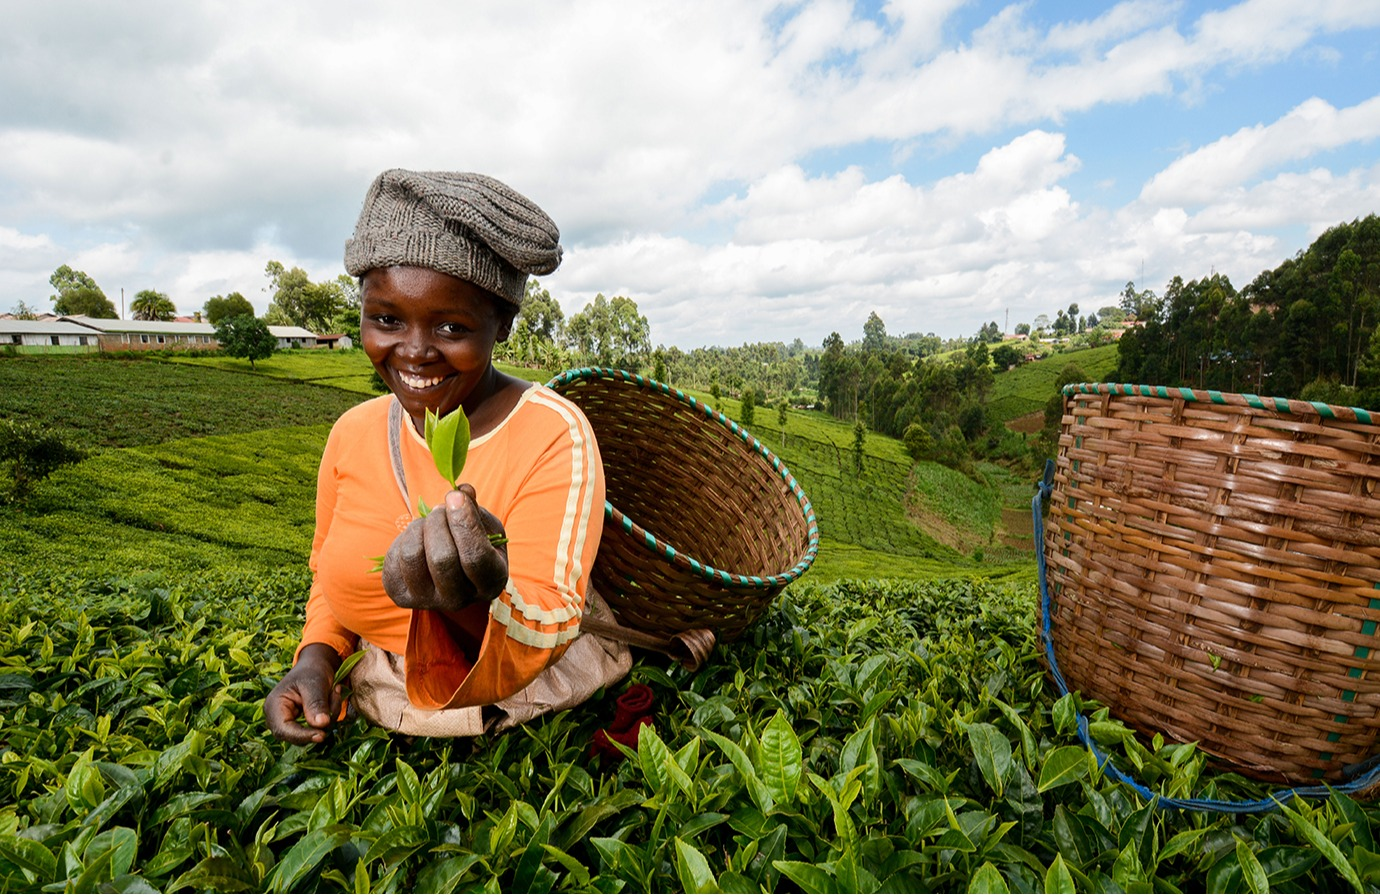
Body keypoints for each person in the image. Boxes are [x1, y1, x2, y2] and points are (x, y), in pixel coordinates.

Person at [265, 169, 624, 744]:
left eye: (451, 326)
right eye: (386, 319)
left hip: (505, 703)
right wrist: (318, 658)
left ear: (501, 324)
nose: (412, 351)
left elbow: (552, 617)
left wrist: (468, 604)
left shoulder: (553, 432)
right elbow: (325, 576)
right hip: (377, 688)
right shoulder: (352, 432)